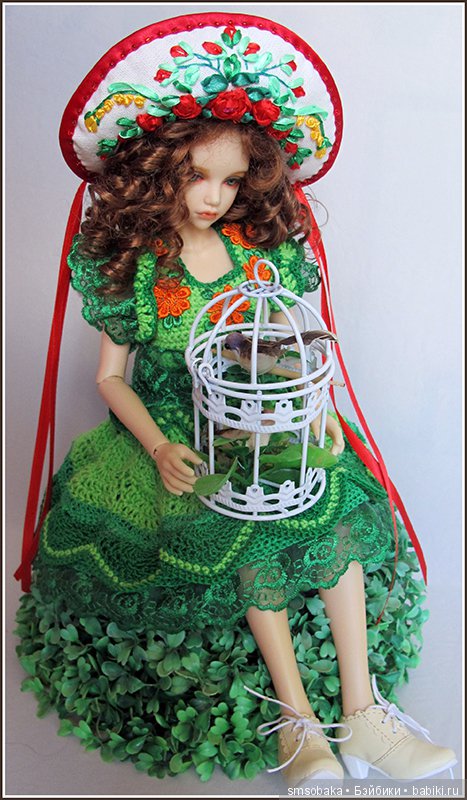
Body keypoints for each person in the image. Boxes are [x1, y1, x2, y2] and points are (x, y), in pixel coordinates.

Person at [14, 13, 456, 787]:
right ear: (157, 173)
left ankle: (362, 712)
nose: (214, 197)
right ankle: (297, 720)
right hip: (178, 430)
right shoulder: (142, 267)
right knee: (243, 537)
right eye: (196, 176)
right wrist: (158, 445)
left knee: (331, 511)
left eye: (230, 179)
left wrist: (314, 416)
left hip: (264, 419)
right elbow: (109, 376)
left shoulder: (258, 253)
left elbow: (286, 344)